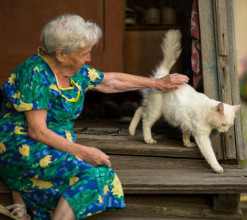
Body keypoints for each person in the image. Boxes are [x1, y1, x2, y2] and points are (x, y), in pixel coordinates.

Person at [0, 14, 188, 220]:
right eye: (84, 54)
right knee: (93, 175)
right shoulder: (35, 73)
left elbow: (110, 81)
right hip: (23, 144)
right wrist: (83, 151)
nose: (89, 58)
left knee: (96, 174)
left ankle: (22, 199)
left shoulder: (74, 69)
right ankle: (21, 192)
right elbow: (37, 130)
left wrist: (157, 83)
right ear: (61, 53)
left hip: (54, 141)